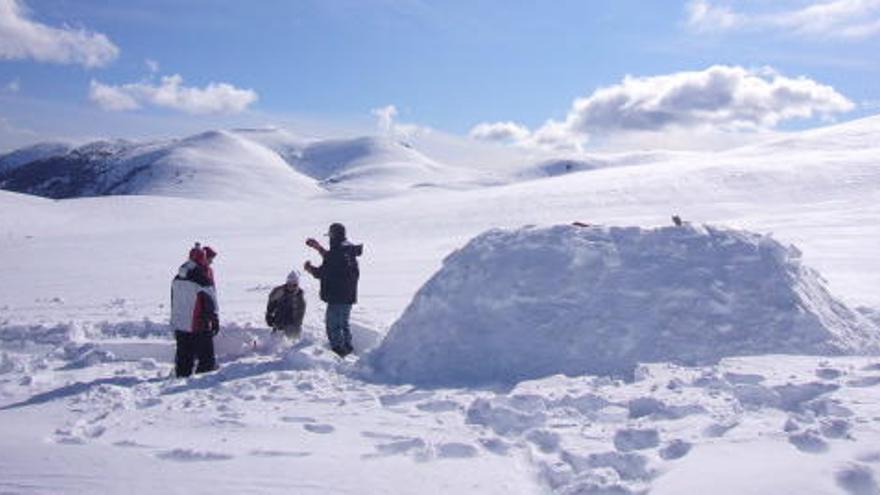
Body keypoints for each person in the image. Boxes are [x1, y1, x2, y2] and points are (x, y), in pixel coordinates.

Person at [304, 223, 363, 357]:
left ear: (333, 236)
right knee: (343, 323)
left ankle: (338, 352)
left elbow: (323, 272)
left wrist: (310, 269)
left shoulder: (337, 252)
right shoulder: (348, 250)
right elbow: (332, 259)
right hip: (349, 295)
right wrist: (318, 248)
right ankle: (348, 348)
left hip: (336, 296)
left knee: (333, 325)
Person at [170, 243, 220, 377]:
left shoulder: (177, 277)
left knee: (184, 360)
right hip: (199, 325)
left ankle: (180, 380)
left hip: (181, 326)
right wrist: (214, 320)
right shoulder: (202, 280)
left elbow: (173, 301)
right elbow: (210, 303)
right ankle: (199, 387)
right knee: (206, 360)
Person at [265, 270, 306, 339]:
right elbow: (271, 303)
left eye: (294, 285)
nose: (291, 287)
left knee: (292, 339)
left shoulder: (299, 297)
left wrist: (295, 326)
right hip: (278, 322)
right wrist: (269, 315)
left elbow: (300, 315)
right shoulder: (279, 292)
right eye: (289, 284)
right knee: (274, 339)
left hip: (292, 325)